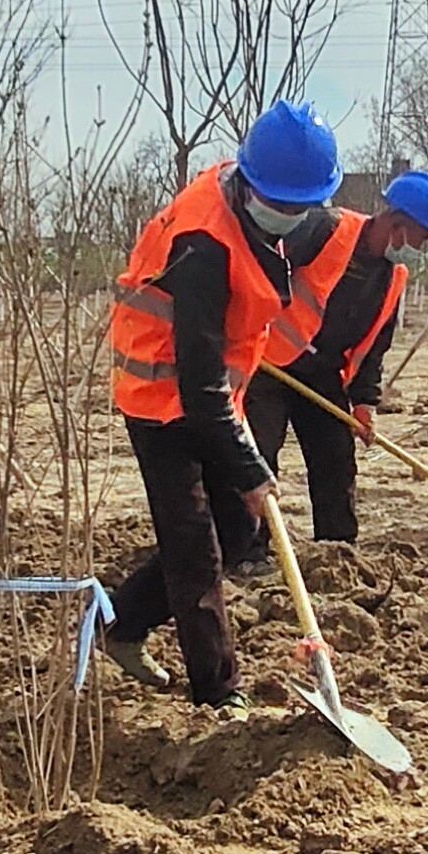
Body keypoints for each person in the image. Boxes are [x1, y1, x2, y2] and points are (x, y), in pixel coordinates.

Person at [99, 101, 345, 712]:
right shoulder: (203, 246)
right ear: (253, 185)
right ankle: (218, 692)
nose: (289, 217)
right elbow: (197, 382)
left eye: (300, 207)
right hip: (162, 401)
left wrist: (246, 476)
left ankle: (120, 623)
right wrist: (251, 469)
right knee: (195, 551)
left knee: (239, 528)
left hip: (212, 399)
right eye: (281, 205)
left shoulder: (261, 214)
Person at [248, 168, 428, 543]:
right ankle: (250, 550)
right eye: (422, 236)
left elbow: (374, 346)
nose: (421, 247)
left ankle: (338, 547)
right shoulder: (327, 228)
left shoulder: (393, 277)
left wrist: (363, 402)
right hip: (269, 362)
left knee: (336, 459)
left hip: (322, 373)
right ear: (399, 223)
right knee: (257, 457)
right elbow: (262, 265)